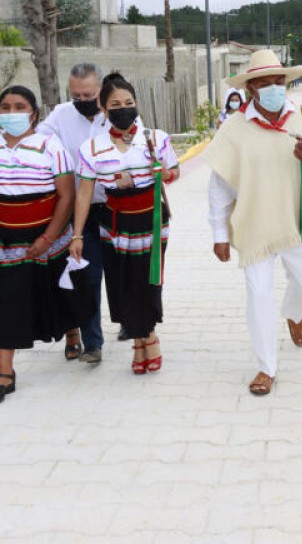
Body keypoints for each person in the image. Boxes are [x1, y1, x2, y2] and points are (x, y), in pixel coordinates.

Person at [206, 49, 302, 396]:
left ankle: (294, 313)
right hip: (254, 226)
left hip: (298, 221)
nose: (273, 88)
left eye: (278, 81)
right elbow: (219, 186)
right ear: (251, 88)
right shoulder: (234, 128)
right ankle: (267, 367)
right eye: (264, 83)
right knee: (258, 296)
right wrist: (220, 233)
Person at [70, 73, 181, 375]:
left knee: (148, 280)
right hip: (115, 227)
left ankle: (148, 339)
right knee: (122, 284)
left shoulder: (155, 138)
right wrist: (77, 234)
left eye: (129, 102)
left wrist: (162, 173)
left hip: (152, 222)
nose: (124, 108)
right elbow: (84, 194)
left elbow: (175, 172)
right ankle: (140, 338)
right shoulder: (92, 148)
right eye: (115, 104)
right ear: (104, 110)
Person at [0, 86, 90, 402]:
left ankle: (72, 331)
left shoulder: (51, 147)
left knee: (59, 291)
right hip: (7, 239)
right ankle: (5, 370)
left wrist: (48, 237)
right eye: (5, 107)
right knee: (7, 301)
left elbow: (66, 195)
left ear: (34, 113)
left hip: (48, 235)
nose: (11, 114)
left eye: (19, 107)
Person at [38, 62, 115, 362]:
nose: (83, 101)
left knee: (120, 273)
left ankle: (129, 324)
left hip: (115, 206)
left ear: (101, 89)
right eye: (77, 96)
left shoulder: (116, 110)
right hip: (79, 212)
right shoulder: (60, 116)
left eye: (89, 95)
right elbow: (39, 142)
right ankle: (92, 342)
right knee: (88, 275)